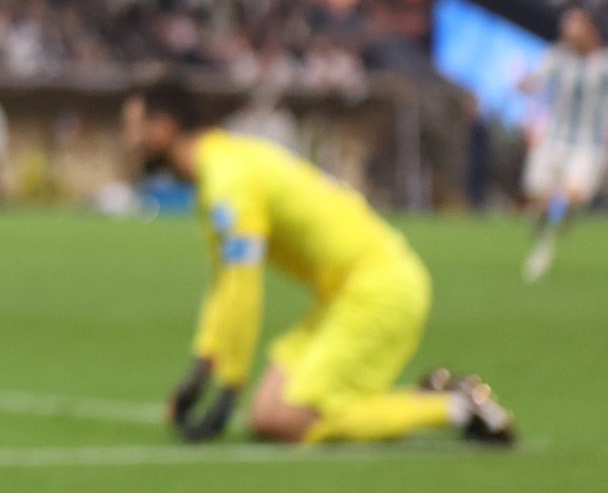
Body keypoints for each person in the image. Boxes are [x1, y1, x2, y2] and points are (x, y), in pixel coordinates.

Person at [124, 80, 515, 447]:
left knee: (289, 420)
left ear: (163, 128)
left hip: (379, 289)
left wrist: (231, 382)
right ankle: (434, 396)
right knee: (267, 415)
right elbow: (226, 284)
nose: (129, 141)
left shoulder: (229, 181)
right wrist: (202, 369)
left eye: (134, 128)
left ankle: (456, 408)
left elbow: (242, 288)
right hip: (343, 294)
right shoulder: (224, 166)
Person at [520, 5, 608, 282]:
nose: (568, 30)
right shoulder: (557, 57)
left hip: (586, 145)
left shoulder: (603, 66)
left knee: (574, 196)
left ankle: (553, 232)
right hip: (552, 141)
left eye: (575, 24)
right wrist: (522, 83)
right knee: (538, 200)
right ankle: (543, 236)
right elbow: (533, 83)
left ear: (590, 29)